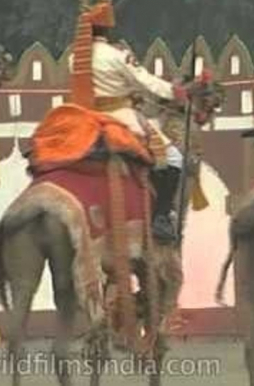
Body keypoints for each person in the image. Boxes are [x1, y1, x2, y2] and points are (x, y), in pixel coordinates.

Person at [70, 1, 189, 243]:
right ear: (107, 30)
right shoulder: (117, 55)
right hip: (119, 117)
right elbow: (146, 82)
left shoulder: (75, 57)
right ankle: (161, 217)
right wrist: (176, 92)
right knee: (175, 158)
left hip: (85, 119)